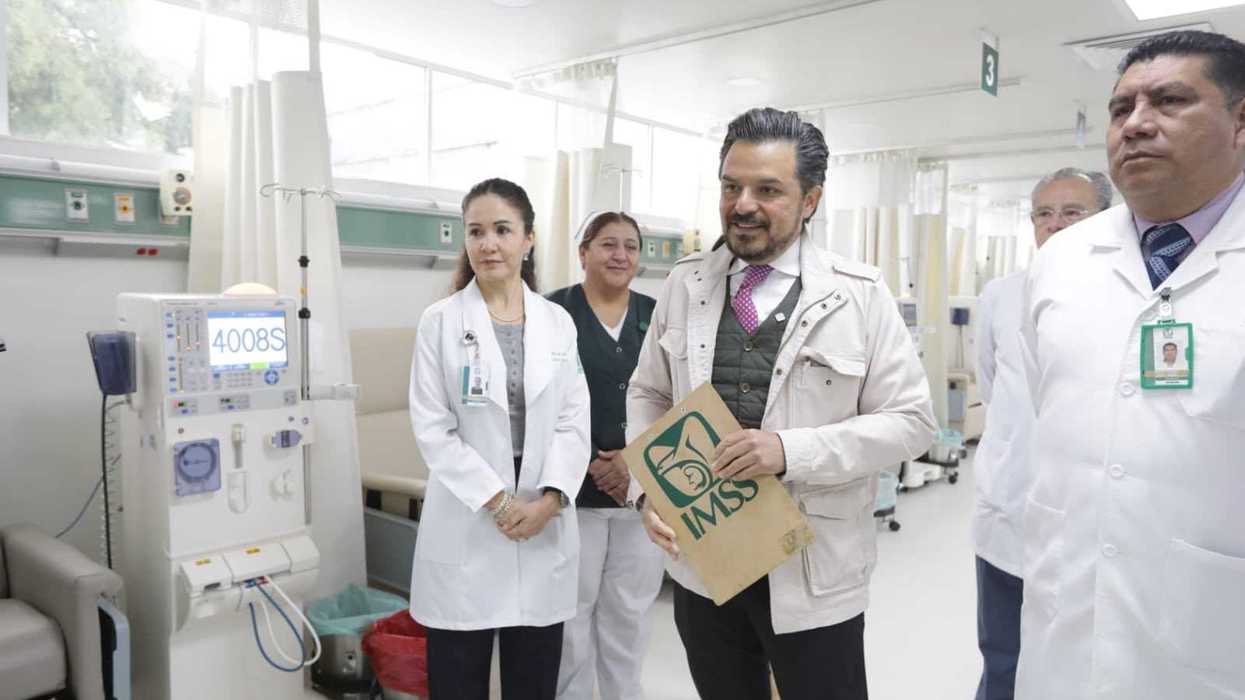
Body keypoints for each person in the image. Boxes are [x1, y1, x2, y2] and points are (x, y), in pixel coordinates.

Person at [626, 107, 937, 700]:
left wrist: (789, 451)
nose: (742, 204)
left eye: (767, 190)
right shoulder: (684, 283)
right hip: (705, 560)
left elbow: (912, 422)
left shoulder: (859, 296)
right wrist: (650, 491)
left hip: (812, 569)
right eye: (730, 186)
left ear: (811, 199)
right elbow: (649, 392)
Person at [1016, 30, 1245, 700]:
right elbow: (1051, 407)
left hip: (1213, 638)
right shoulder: (1061, 259)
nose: (1136, 124)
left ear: (1239, 122)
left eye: (1169, 101)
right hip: (1066, 617)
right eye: (1120, 109)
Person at [408, 178, 591, 700]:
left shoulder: (557, 323)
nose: (489, 243)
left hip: (542, 516)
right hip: (471, 513)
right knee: (457, 680)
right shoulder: (440, 322)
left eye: (502, 230)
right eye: (476, 231)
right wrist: (499, 500)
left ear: (528, 239)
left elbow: (573, 421)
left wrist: (550, 499)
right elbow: (432, 426)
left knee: (533, 682)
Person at [972, 167, 1111, 700]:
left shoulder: (1128, 297)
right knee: (1002, 653)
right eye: (1043, 214)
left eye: (1072, 212)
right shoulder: (1001, 296)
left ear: (1106, 219)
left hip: (1090, 515)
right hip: (1008, 507)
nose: (1055, 225)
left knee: (1079, 661)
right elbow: (992, 381)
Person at [547, 212, 665, 700]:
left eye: (631, 246)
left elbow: (682, 393)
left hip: (646, 491)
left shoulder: (658, 315)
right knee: (572, 610)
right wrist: (590, 459)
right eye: (608, 245)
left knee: (630, 610)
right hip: (572, 491)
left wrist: (634, 461)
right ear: (583, 252)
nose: (621, 255)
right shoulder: (552, 313)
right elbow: (537, 398)